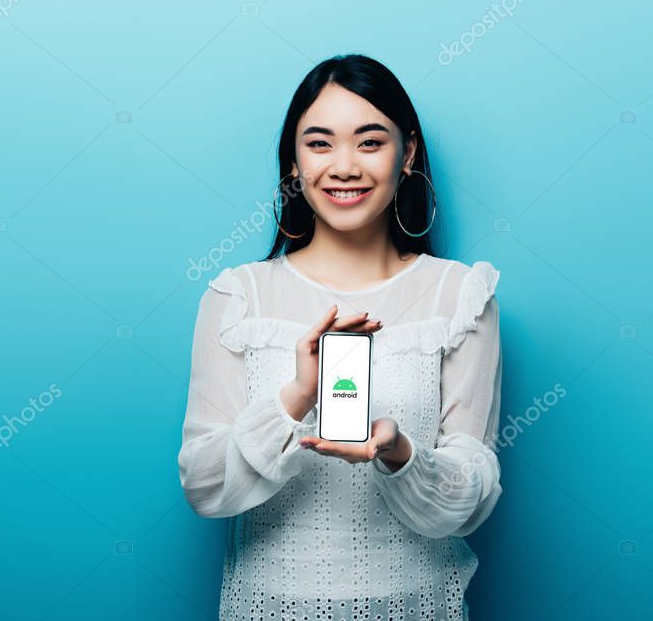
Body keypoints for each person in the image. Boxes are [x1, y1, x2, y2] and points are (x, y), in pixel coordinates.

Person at [177, 54, 502, 621]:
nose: (344, 166)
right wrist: (296, 397)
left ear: (409, 154)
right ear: (294, 163)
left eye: (370, 142)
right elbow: (204, 488)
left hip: (417, 606)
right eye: (320, 143)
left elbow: (468, 500)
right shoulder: (237, 298)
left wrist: (399, 453)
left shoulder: (461, 298)